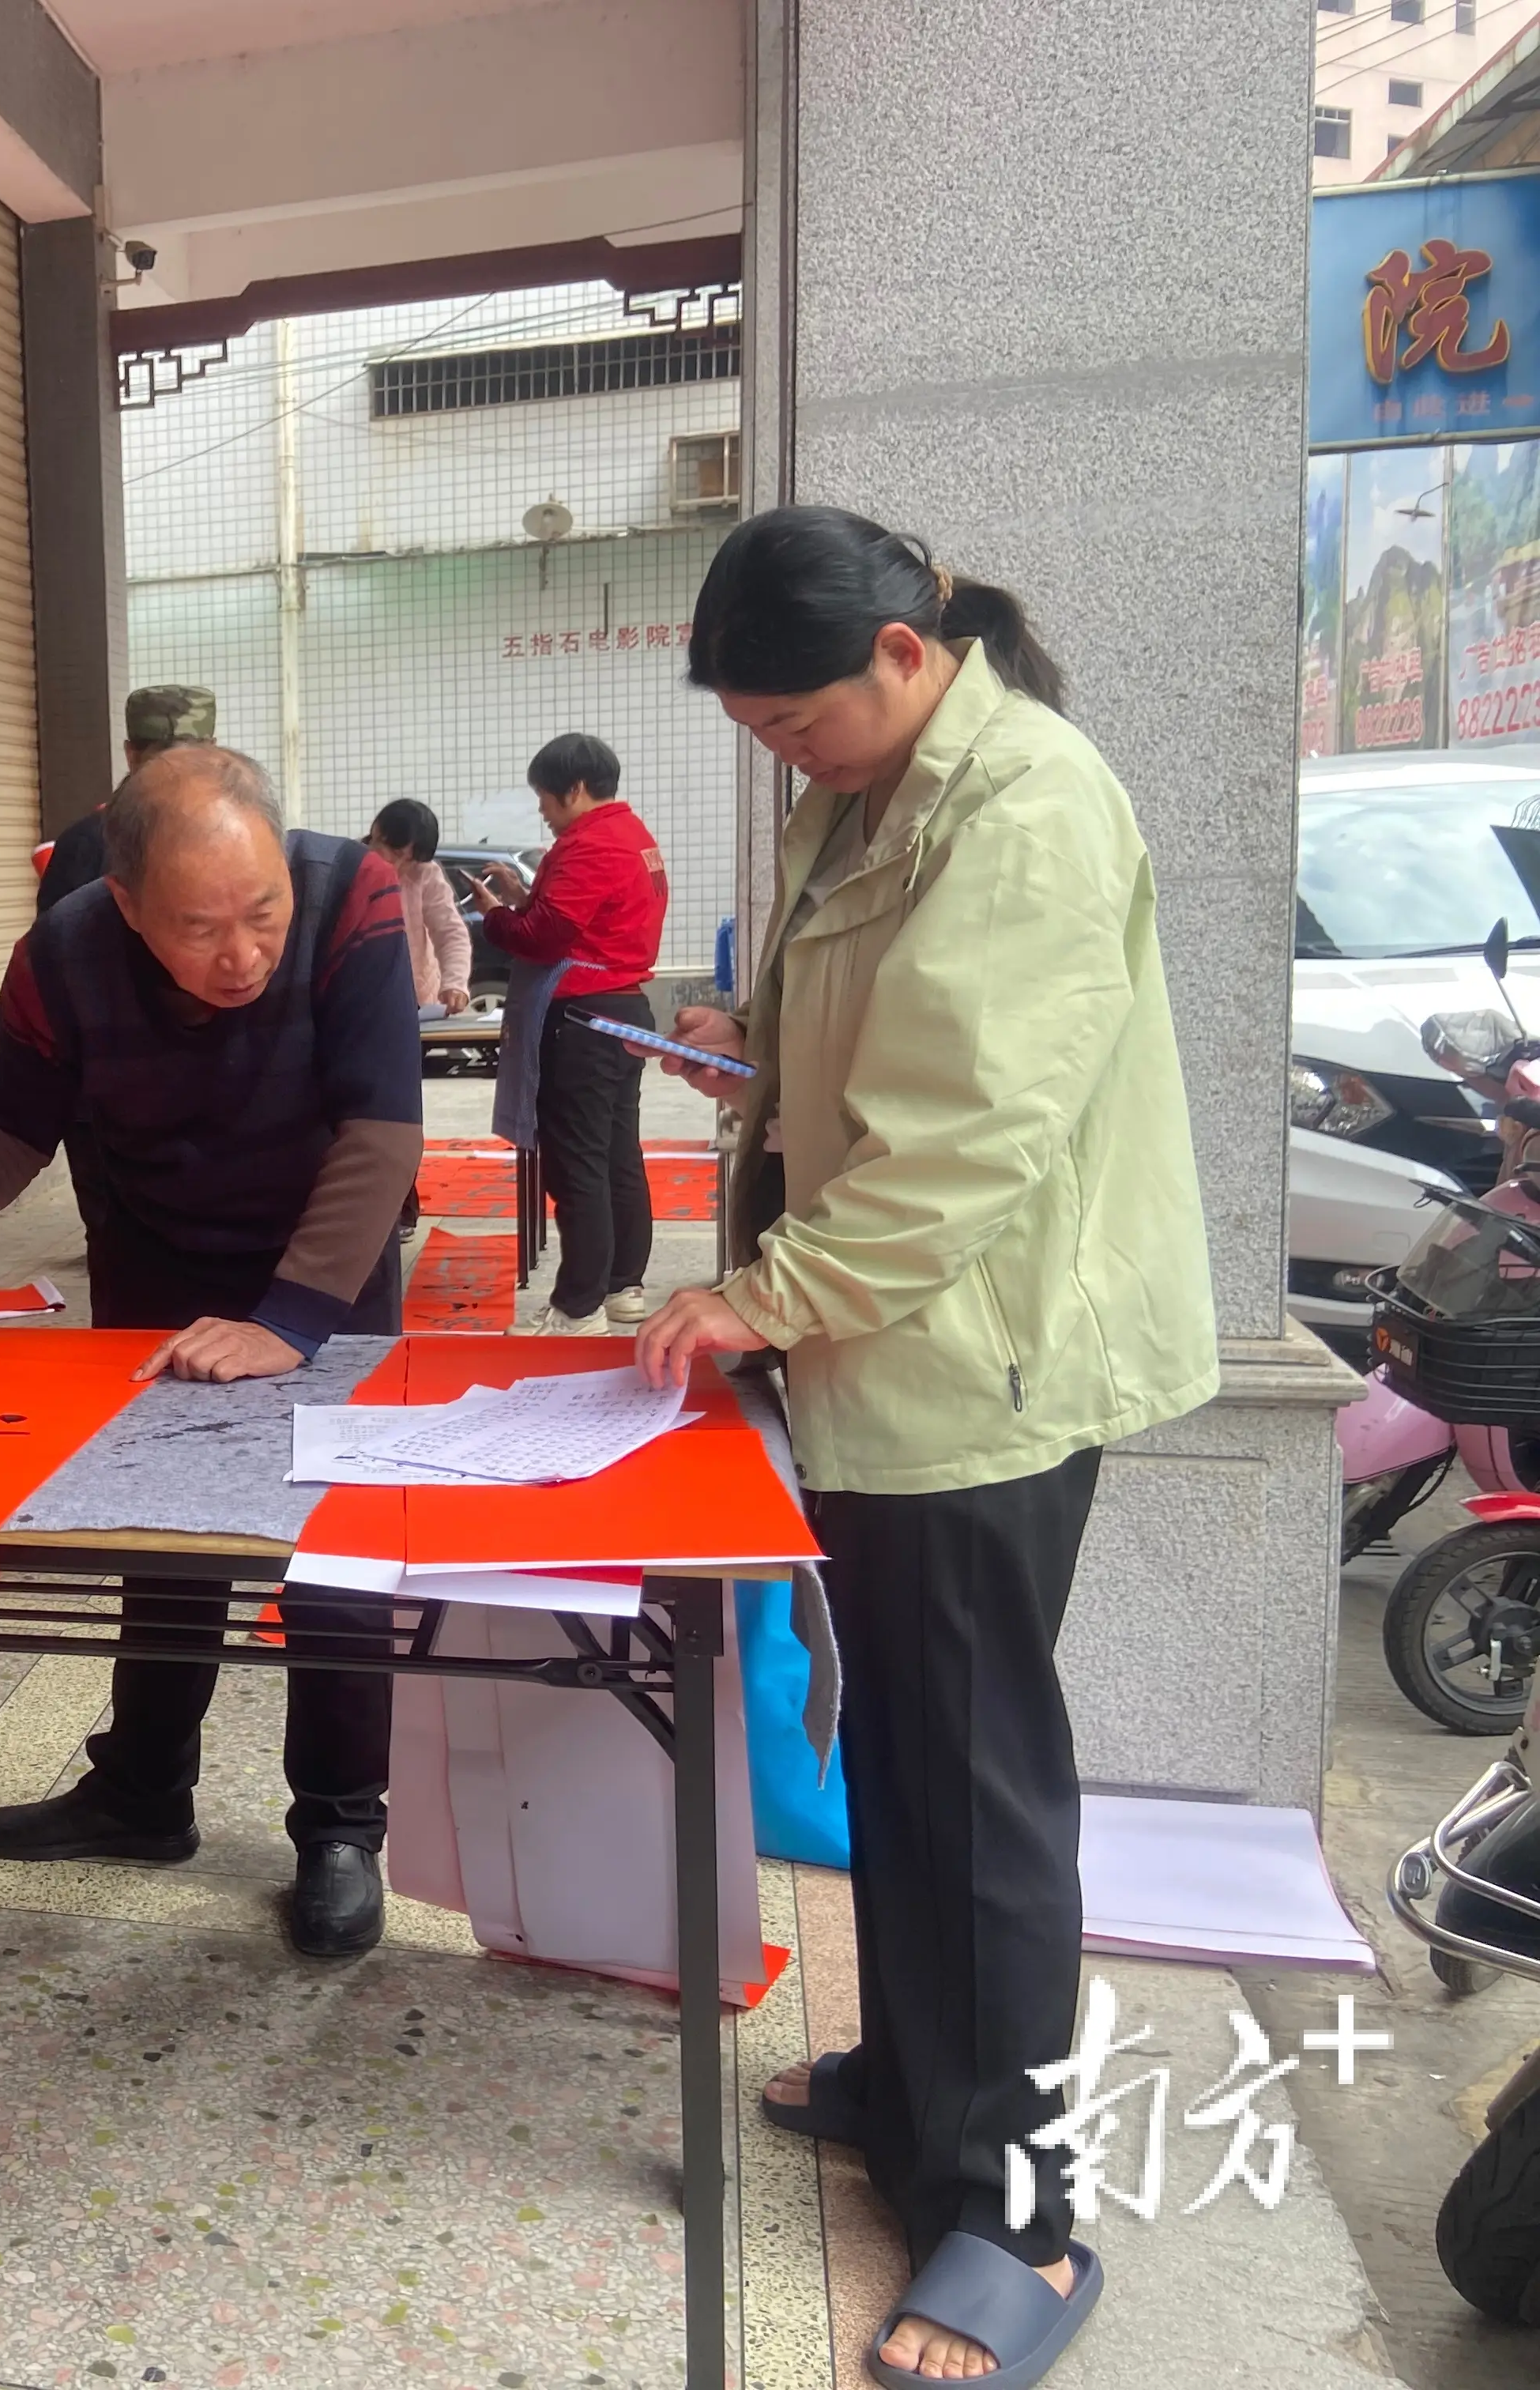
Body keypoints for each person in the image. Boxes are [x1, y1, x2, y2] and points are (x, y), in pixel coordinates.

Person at [635, 507, 1214, 2390]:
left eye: (795, 724)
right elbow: (882, 1036)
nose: (779, 758)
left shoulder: (1025, 803)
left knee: (976, 1779)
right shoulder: (874, 796)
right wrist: (754, 1036)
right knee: (898, 1739)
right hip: (889, 1367)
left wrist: (762, 1291)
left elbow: (970, 1134)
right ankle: (918, 2082)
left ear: (904, 654)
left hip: (976, 1368)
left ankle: (1016, 2214)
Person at [0, 747, 422, 1957]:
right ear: (126, 902)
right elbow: (16, 1111)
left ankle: (338, 1829)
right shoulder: (61, 951)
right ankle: (144, 1791)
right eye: (199, 928)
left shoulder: (355, 898)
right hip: (157, 1258)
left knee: (334, 1553)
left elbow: (380, 1126)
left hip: (324, 1265)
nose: (242, 954)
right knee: (164, 1539)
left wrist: (290, 1320)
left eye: (260, 914)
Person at [468, 733, 666, 1335]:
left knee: (577, 1163)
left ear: (574, 791)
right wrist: (520, 897)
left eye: (546, 801)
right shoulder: (632, 836)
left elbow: (547, 936)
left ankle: (578, 1308)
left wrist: (496, 919)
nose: (544, 815)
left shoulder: (589, 843)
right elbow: (574, 920)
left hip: (582, 1016)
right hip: (622, 1007)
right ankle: (620, 1285)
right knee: (614, 1155)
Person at [33, 683, 217, 913]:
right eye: (163, 762)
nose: (175, 775)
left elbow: (47, 943)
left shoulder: (84, 843)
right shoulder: (247, 834)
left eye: (187, 761)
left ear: (131, 754)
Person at [365, 797, 473, 1020]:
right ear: (377, 834)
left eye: (410, 860)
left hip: (417, 1001)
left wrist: (454, 982)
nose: (400, 866)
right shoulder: (349, 866)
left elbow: (450, 933)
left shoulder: (425, 873)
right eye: (395, 854)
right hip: (362, 1001)